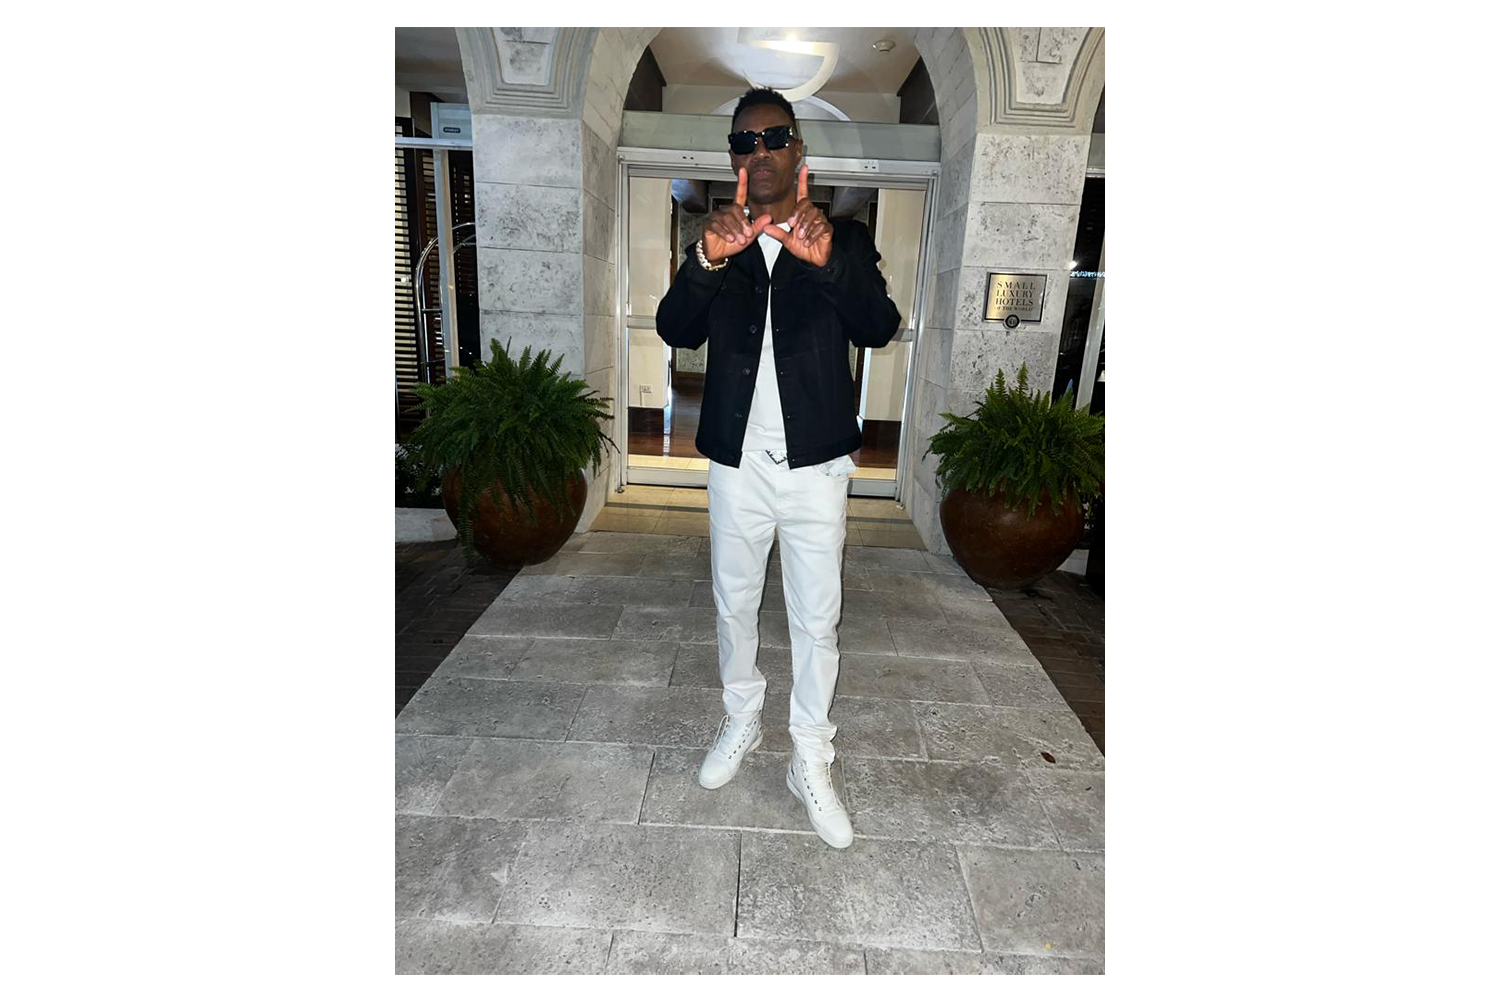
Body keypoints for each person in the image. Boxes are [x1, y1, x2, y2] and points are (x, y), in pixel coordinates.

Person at [655, 88, 901, 848]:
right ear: (732, 156)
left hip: (815, 466)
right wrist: (706, 260)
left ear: (798, 152)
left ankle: (810, 757)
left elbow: (879, 325)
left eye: (773, 137)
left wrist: (827, 266)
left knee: (815, 618)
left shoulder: (843, 237)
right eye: (743, 141)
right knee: (733, 602)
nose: (757, 151)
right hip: (736, 463)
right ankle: (742, 718)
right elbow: (673, 327)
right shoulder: (717, 237)